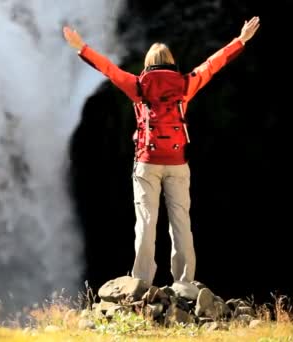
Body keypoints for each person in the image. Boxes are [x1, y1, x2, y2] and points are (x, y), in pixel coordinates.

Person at [62, 16, 260, 285]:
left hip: (147, 163)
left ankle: (141, 281)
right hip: (177, 163)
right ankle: (185, 281)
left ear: (147, 63)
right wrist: (240, 41)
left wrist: (81, 47)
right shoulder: (186, 85)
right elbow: (213, 65)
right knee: (181, 223)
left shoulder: (138, 86)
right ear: (171, 61)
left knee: (145, 222)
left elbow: (108, 69)